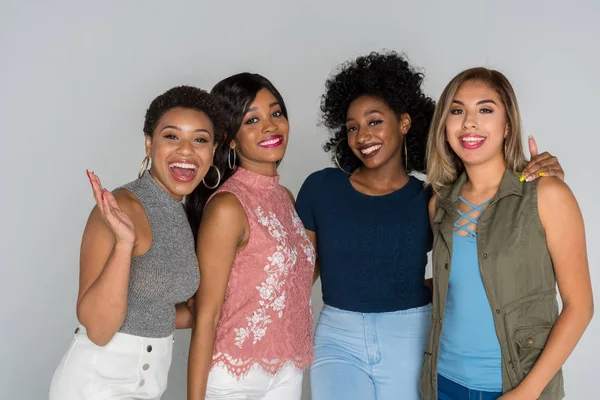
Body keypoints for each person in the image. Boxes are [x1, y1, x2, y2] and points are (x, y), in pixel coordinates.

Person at [295, 51, 565, 400]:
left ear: (405, 122)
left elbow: (476, 261)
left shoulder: (431, 198)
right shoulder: (322, 187)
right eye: (352, 127)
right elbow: (298, 274)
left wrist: (542, 179)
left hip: (411, 332)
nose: (363, 135)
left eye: (375, 121)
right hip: (338, 337)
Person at [420, 67, 593, 400]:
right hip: (443, 383)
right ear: (444, 126)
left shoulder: (547, 195)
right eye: (457, 111)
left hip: (516, 385)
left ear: (507, 126)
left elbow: (580, 306)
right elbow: (457, 285)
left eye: (485, 110)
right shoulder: (439, 205)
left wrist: (526, 393)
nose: (469, 122)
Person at [49, 86, 225, 400]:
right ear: (149, 143)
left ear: (212, 152)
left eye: (200, 139)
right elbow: (100, 330)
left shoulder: (182, 214)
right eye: (172, 136)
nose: (186, 150)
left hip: (149, 387)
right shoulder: (120, 208)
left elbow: (154, 310)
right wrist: (123, 244)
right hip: (96, 386)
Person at [185, 73, 314, 400]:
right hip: (233, 378)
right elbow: (207, 314)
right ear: (230, 138)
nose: (270, 126)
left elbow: (288, 282)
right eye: (252, 120)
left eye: (276, 113)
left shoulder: (285, 197)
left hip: (287, 371)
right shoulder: (228, 206)